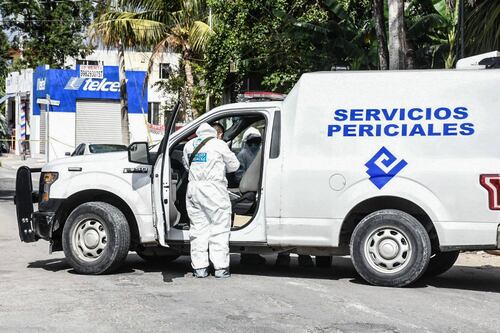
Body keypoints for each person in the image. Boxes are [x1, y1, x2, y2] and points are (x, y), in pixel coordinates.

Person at [183, 123, 240, 278]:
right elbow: (234, 166)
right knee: (219, 227)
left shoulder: (188, 145)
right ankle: (220, 268)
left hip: (193, 189)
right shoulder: (219, 144)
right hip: (214, 190)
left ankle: (200, 268)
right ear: (215, 133)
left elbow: (187, 166)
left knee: (198, 229)